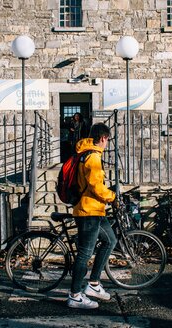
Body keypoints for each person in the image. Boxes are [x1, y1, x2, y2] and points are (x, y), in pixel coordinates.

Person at [66, 122, 117, 310]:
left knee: (110, 241)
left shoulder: (85, 153)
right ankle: (74, 295)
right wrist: (111, 196)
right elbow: (96, 186)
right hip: (88, 211)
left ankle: (94, 284)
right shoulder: (93, 157)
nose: (107, 144)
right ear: (103, 138)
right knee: (85, 254)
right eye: (107, 140)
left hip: (95, 210)